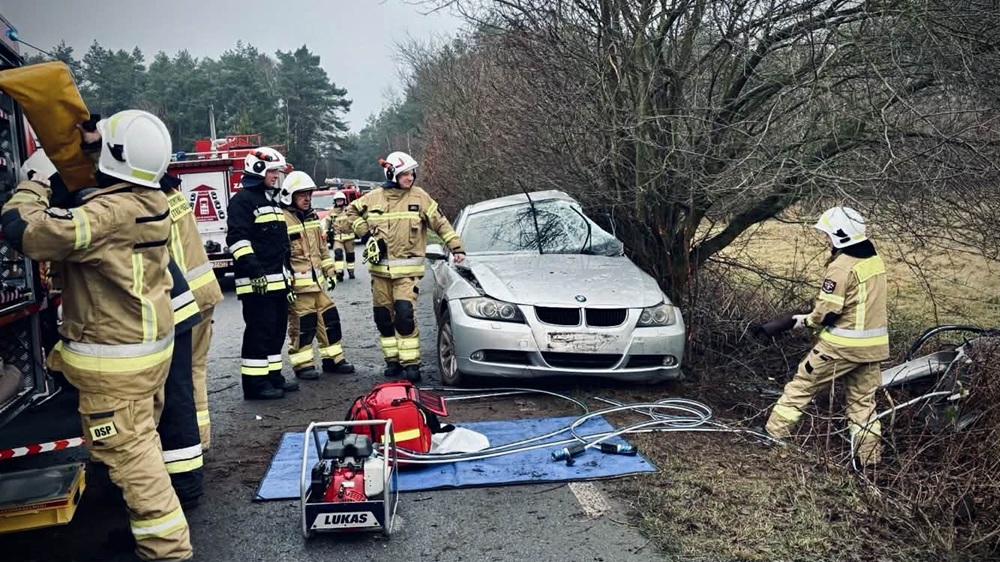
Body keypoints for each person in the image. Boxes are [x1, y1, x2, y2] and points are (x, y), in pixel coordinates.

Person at [1, 110, 193, 560]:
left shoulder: (107, 216)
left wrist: (33, 180)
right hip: (143, 360)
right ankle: (145, 533)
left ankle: (168, 552)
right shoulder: (150, 199)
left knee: (132, 459)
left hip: (115, 371)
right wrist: (94, 144)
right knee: (140, 449)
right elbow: (111, 182)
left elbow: (25, 231)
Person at [764, 207, 889, 466]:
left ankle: (772, 438)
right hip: (872, 348)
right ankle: (869, 462)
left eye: (828, 234)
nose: (826, 239)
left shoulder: (842, 267)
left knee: (801, 386)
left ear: (840, 236)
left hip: (841, 347)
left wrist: (805, 321)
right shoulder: (874, 261)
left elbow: (827, 312)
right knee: (863, 406)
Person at [345, 151, 466, 382]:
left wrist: (456, 247)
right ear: (391, 174)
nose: (410, 177)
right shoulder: (373, 198)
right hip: (379, 273)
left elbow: (440, 223)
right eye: (405, 174)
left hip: (407, 274)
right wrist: (365, 232)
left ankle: (411, 363)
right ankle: (392, 361)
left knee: (404, 315)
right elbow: (348, 214)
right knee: (383, 317)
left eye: (412, 173)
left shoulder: (419, 197)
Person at [226, 147, 297, 400]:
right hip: (256, 284)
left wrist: (287, 277)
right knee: (259, 332)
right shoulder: (242, 201)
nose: (277, 176)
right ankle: (255, 385)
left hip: (277, 282)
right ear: (258, 169)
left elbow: (280, 246)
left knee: (276, 330)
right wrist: (255, 271)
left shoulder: (271, 201)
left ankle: (273, 376)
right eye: (273, 171)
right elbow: (237, 241)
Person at [161, 173, 224, 450]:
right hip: (204, 292)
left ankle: (191, 440)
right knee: (196, 369)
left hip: (182, 299)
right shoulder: (176, 198)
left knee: (180, 375)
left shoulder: (150, 206)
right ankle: (202, 437)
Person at [278, 171, 355, 379]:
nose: (307, 198)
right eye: (302, 194)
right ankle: (303, 365)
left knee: (330, 319)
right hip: (298, 288)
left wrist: (330, 271)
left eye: (309, 194)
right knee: (304, 325)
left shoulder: (312, 217)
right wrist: (285, 286)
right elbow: (279, 256)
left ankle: (333, 360)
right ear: (289, 195)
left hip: (318, 285)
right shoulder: (281, 220)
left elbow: (322, 250)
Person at [326, 191, 356, 281]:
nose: (339, 202)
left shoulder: (348, 210)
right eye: (337, 201)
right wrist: (325, 232)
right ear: (335, 202)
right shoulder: (331, 213)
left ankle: (351, 271)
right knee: (338, 254)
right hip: (337, 238)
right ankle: (339, 272)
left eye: (341, 201)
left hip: (349, 237)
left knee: (350, 256)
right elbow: (327, 224)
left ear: (344, 201)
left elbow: (354, 220)